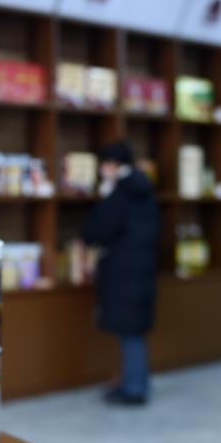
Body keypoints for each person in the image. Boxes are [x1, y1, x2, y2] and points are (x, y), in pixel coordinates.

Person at [82, 142, 160, 405]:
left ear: (111, 165)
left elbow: (97, 230)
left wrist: (105, 198)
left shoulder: (120, 192)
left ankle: (134, 389)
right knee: (133, 330)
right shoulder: (143, 188)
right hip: (142, 268)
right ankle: (132, 381)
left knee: (129, 332)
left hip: (123, 272)